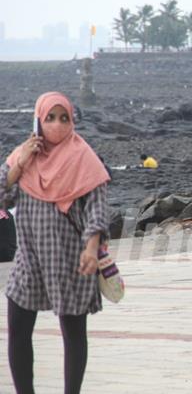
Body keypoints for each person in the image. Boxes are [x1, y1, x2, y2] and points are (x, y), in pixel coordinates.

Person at [1, 92, 111, 393]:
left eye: (64, 118)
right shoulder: (23, 157)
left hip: (71, 261)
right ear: (38, 119)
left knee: (73, 332)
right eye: (50, 117)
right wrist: (20, 164)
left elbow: (97, 209)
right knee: (19, 332)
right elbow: (2, 196)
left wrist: (91, 249)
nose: (57, 124)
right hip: (30, 260)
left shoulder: (82, 157)